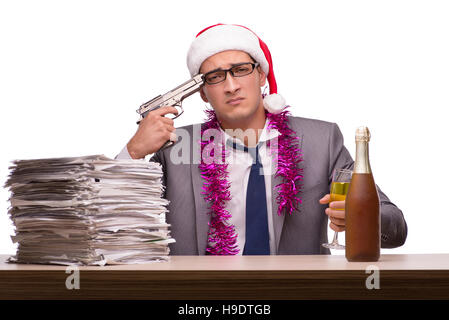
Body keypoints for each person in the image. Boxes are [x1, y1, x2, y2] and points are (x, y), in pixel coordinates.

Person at [116, 23, 407, 255]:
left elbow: (396, 229)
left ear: (262, 76)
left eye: (241, 70)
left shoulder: (323, 140)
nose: (231, 86)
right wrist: (132, 154)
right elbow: (112, 229)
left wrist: (360, 216)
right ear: (202, 92)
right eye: (215, 77)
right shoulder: (175, 148)